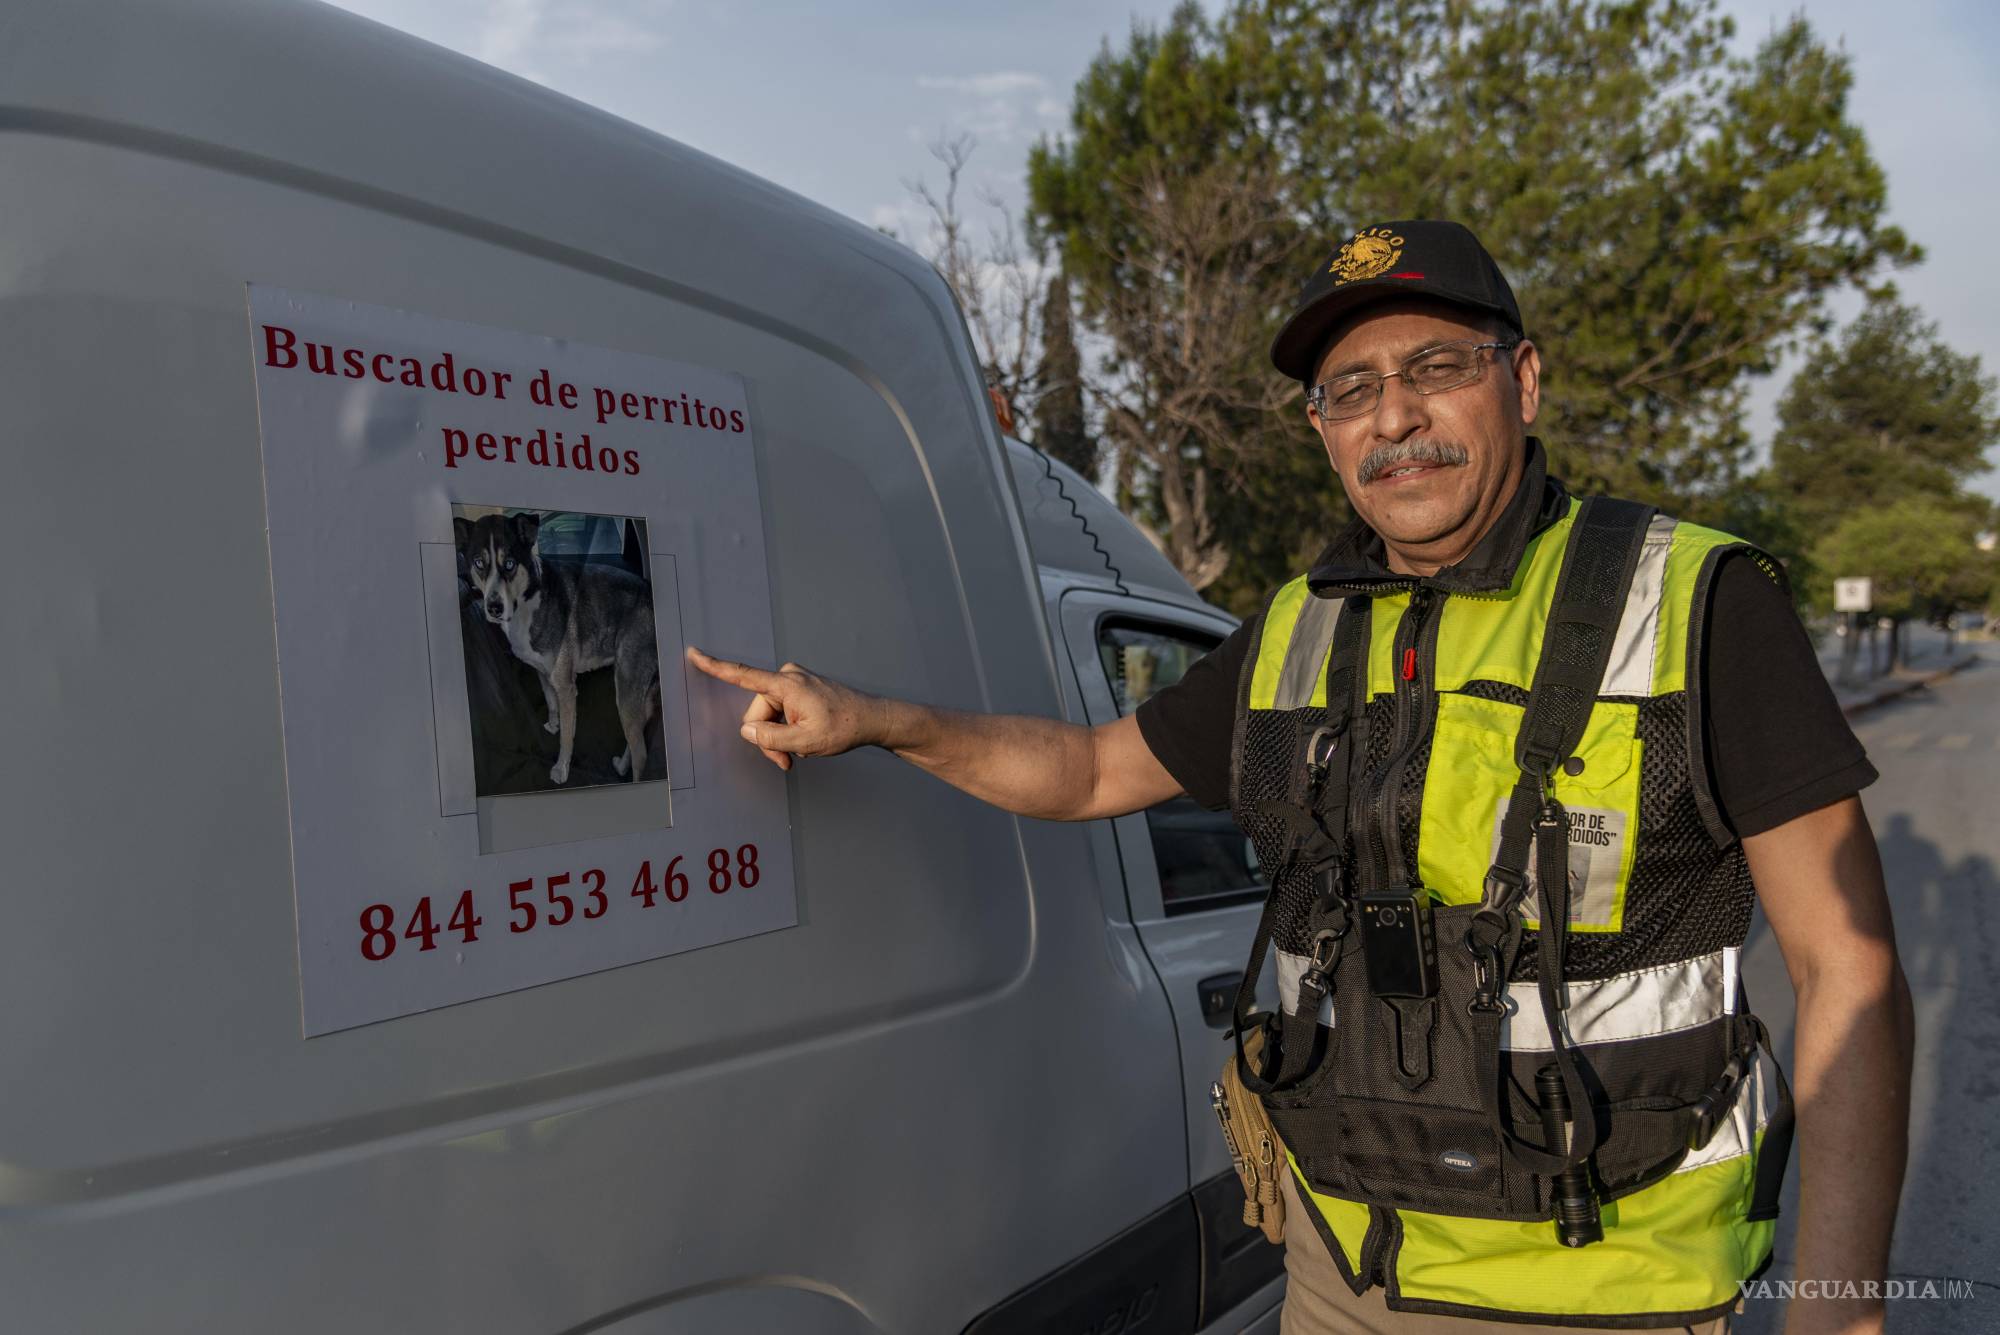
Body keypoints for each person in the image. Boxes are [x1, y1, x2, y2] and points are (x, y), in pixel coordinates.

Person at [688, 221, 1915, 1335]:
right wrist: (878, 719)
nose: (1393, 419)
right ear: (1321, 430)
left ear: (1521, 379)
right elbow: (1086, 770)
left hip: (1601, 1287)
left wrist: (1840, 1316)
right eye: (1351, 390)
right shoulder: (1296, 628)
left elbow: (1843, 965)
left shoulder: (1693, 602)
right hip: (1341, 1269)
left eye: (1434, 368)